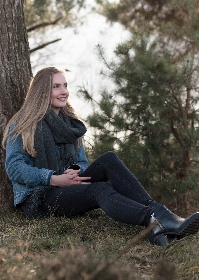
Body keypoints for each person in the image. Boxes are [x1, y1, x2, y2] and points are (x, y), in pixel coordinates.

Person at [3, 66, 199, 246]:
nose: (64, 92)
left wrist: (75, 173)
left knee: (109, 159)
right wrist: (54, 178)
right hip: (39, 198)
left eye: (65, 86)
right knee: (100, 189)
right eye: (56, 87)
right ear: (42, 92)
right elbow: (14, 168)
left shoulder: (70, 126)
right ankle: (152, 220)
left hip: (68, 185)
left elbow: (81, 161)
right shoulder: (23, 124)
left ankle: (160, 214)